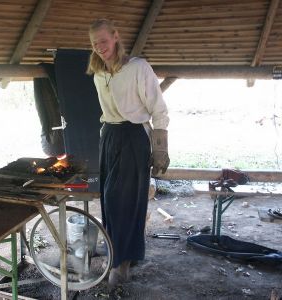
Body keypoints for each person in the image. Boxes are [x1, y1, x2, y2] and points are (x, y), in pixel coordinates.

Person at [87, 19, 170, 287]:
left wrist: (160, 148)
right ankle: (120, 251)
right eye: (95, 43)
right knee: (110, 201)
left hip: (134, 136)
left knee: (122, 201)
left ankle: (121, 263)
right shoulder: (99, 74)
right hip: (109, 136)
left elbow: (158, 109)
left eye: (103, 40)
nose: (100, 47)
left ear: (115, 37)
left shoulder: (138, 68)